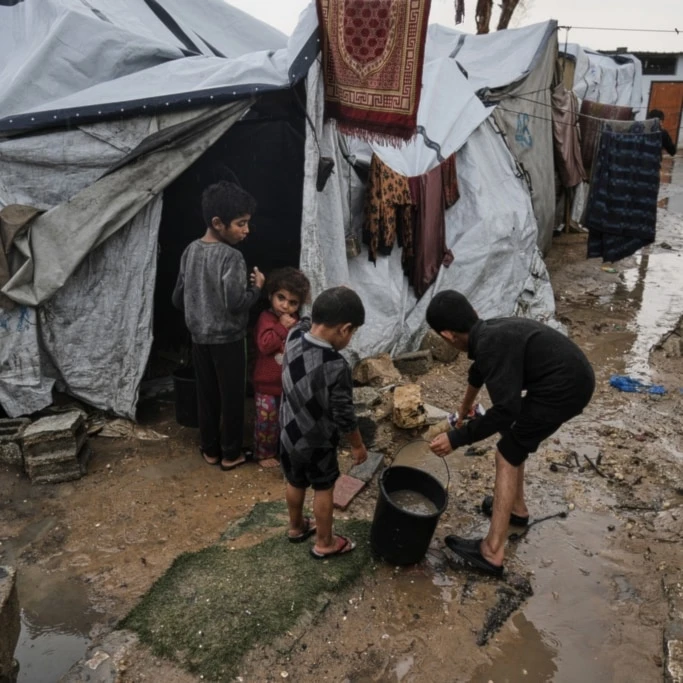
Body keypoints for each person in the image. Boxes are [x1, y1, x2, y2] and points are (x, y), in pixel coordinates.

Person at [426, 290, 595, 577]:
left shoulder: (492, 344)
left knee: (506, 453)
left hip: (566, 389)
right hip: (570, 377)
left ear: (447, 336)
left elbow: (506, 409)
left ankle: (492, 551)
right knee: (513, 438)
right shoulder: (487, 332)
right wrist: (463, 410)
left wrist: (457, 439)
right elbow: (477, 373)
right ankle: (516, 510)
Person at [172, 181, 265, 471]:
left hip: (199, 337)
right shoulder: (232, 257)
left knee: (207, 393)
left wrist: (197, 305)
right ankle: (231, 453)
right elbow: (236, 302)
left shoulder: (190, 251)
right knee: (233, 396)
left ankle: (209, 449)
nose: (246, 230)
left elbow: (177, 298)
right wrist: (257, 289)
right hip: (229, 340)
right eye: (241, 224)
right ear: (217, 223)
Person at [279, 286, 368, 557]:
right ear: (345, 329)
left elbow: (307, 321)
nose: (350, 338)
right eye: (352, 332)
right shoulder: (335, 365)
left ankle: (296, 527)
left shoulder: (294, 335)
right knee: (323, 487)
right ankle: (324, 542)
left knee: (294, 481)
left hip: (288, 434)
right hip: (317, 442)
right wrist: (357, 446)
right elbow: (344, 415)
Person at [252, 267, 311, 469]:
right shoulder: (266, 319)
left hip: (287, 384)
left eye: (293, 302)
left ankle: (281, 449)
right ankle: (264, 453)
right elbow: (265, 345)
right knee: (266, 420)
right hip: (266, 383)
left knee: (285, 420)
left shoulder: (297, 323)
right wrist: (282, 327)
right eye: (281, 298)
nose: (285, 306)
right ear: (270, 295)